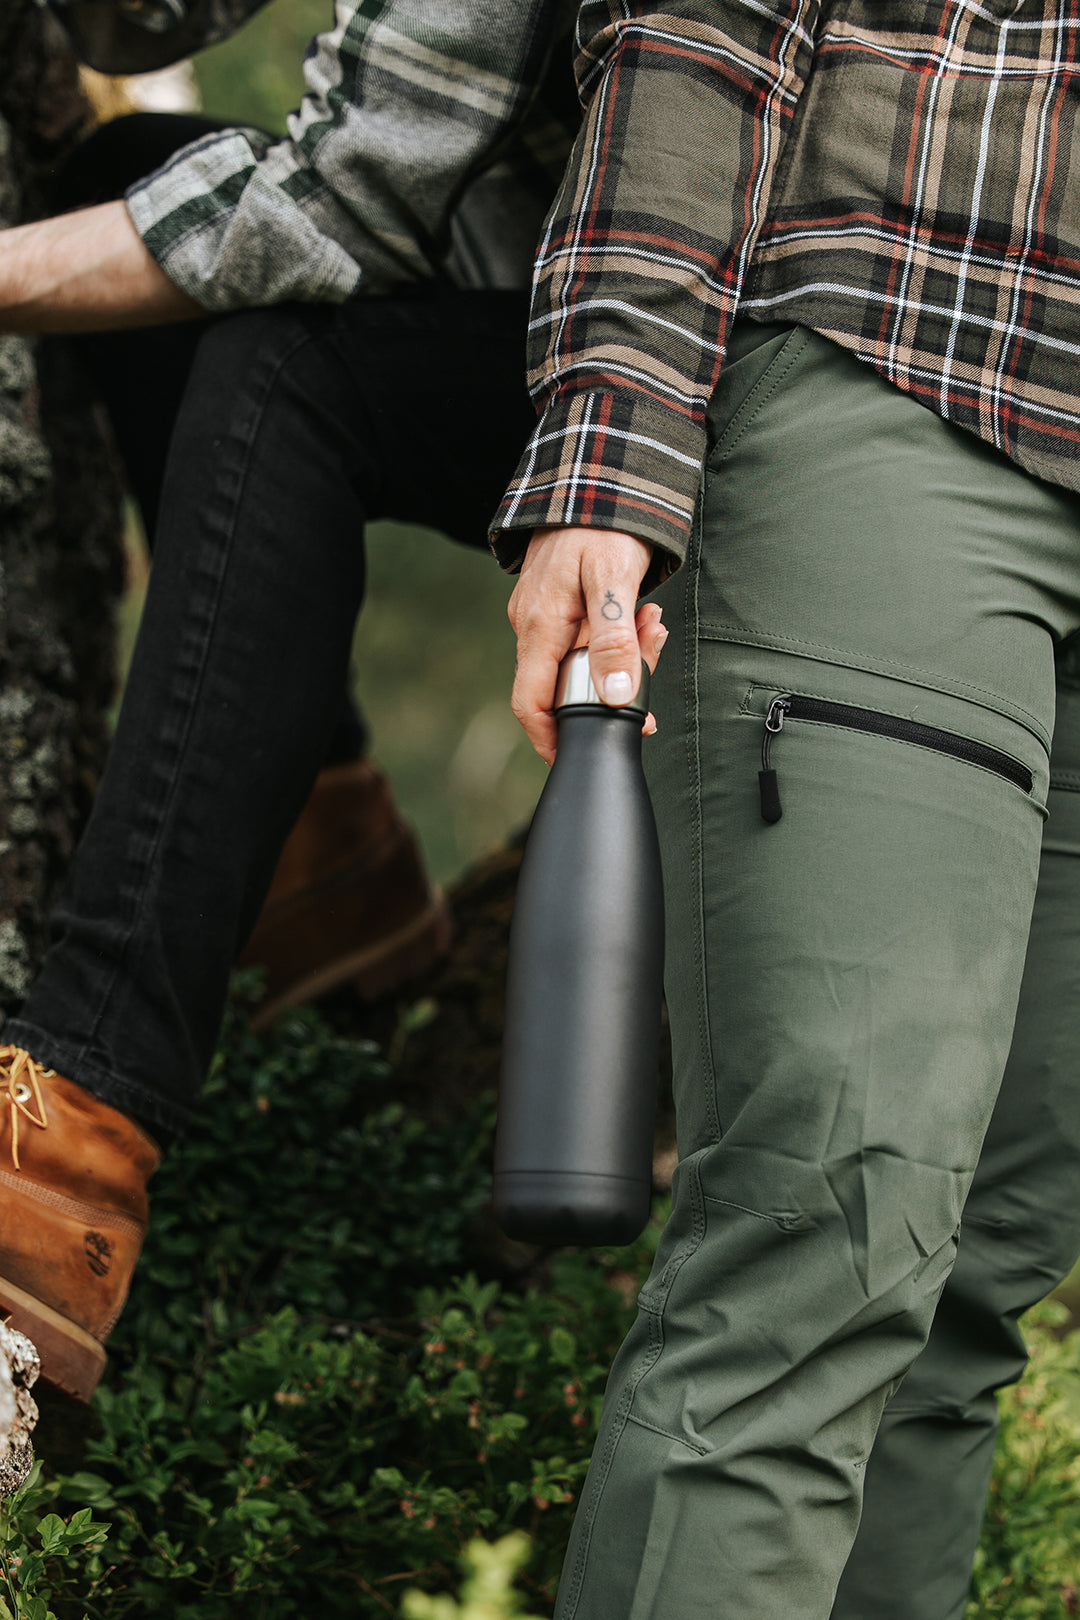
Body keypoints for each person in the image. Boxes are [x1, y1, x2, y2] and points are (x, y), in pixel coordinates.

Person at [495, 1, 1080, 1617]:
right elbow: (698, 28)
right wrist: (607, 448)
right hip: (918, 344)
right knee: (833, 1222)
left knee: (975, 1284)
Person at [0, 0, 656, 1403]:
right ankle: (323, 877)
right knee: (138, 174)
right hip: (591, 297)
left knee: (281, 363)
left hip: (733, 374)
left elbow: (340, 205)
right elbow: (129, 30)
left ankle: (77, 1131)